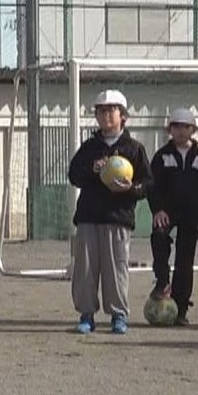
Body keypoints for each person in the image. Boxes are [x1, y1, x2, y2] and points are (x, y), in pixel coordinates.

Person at [67, 89, 151, 335]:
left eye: (110, 111)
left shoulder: (134, 149)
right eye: (100, 111)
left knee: (117, 268)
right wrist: (93, 169)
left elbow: (148, 183)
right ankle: (86, 314)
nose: (105, 116)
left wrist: (130, 189)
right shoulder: (90, 147)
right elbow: (74, 176)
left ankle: (118, 315)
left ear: (123, 116)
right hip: (88, 217)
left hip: (118, 218)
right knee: (85, 268)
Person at [148, 108, 198, 326]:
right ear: (169, 129)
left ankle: (181, 309)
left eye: (186, 127)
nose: (181, 131)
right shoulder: (161, 156)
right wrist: (157, 209)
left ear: (193, 129)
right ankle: (162, 282)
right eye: (176, 126)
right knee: (159, 237)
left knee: (185, 261)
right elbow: (152, 187)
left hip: (191, 215)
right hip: (167, 211)